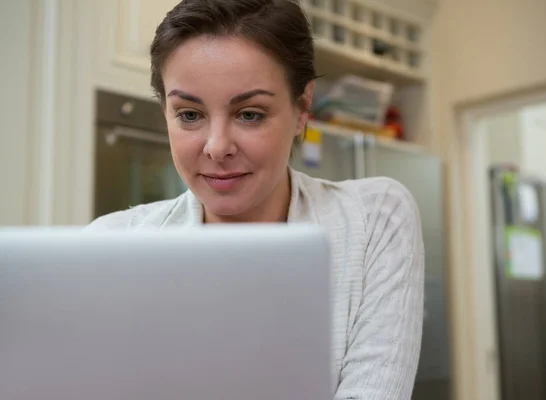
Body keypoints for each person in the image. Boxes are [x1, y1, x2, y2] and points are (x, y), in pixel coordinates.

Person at [88, 0, 425, 398]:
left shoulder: (375, 219)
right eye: (190, 115)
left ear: (302, 108)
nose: (217, 147)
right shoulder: (111, 244)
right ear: (165, 112)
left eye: (249, 114)